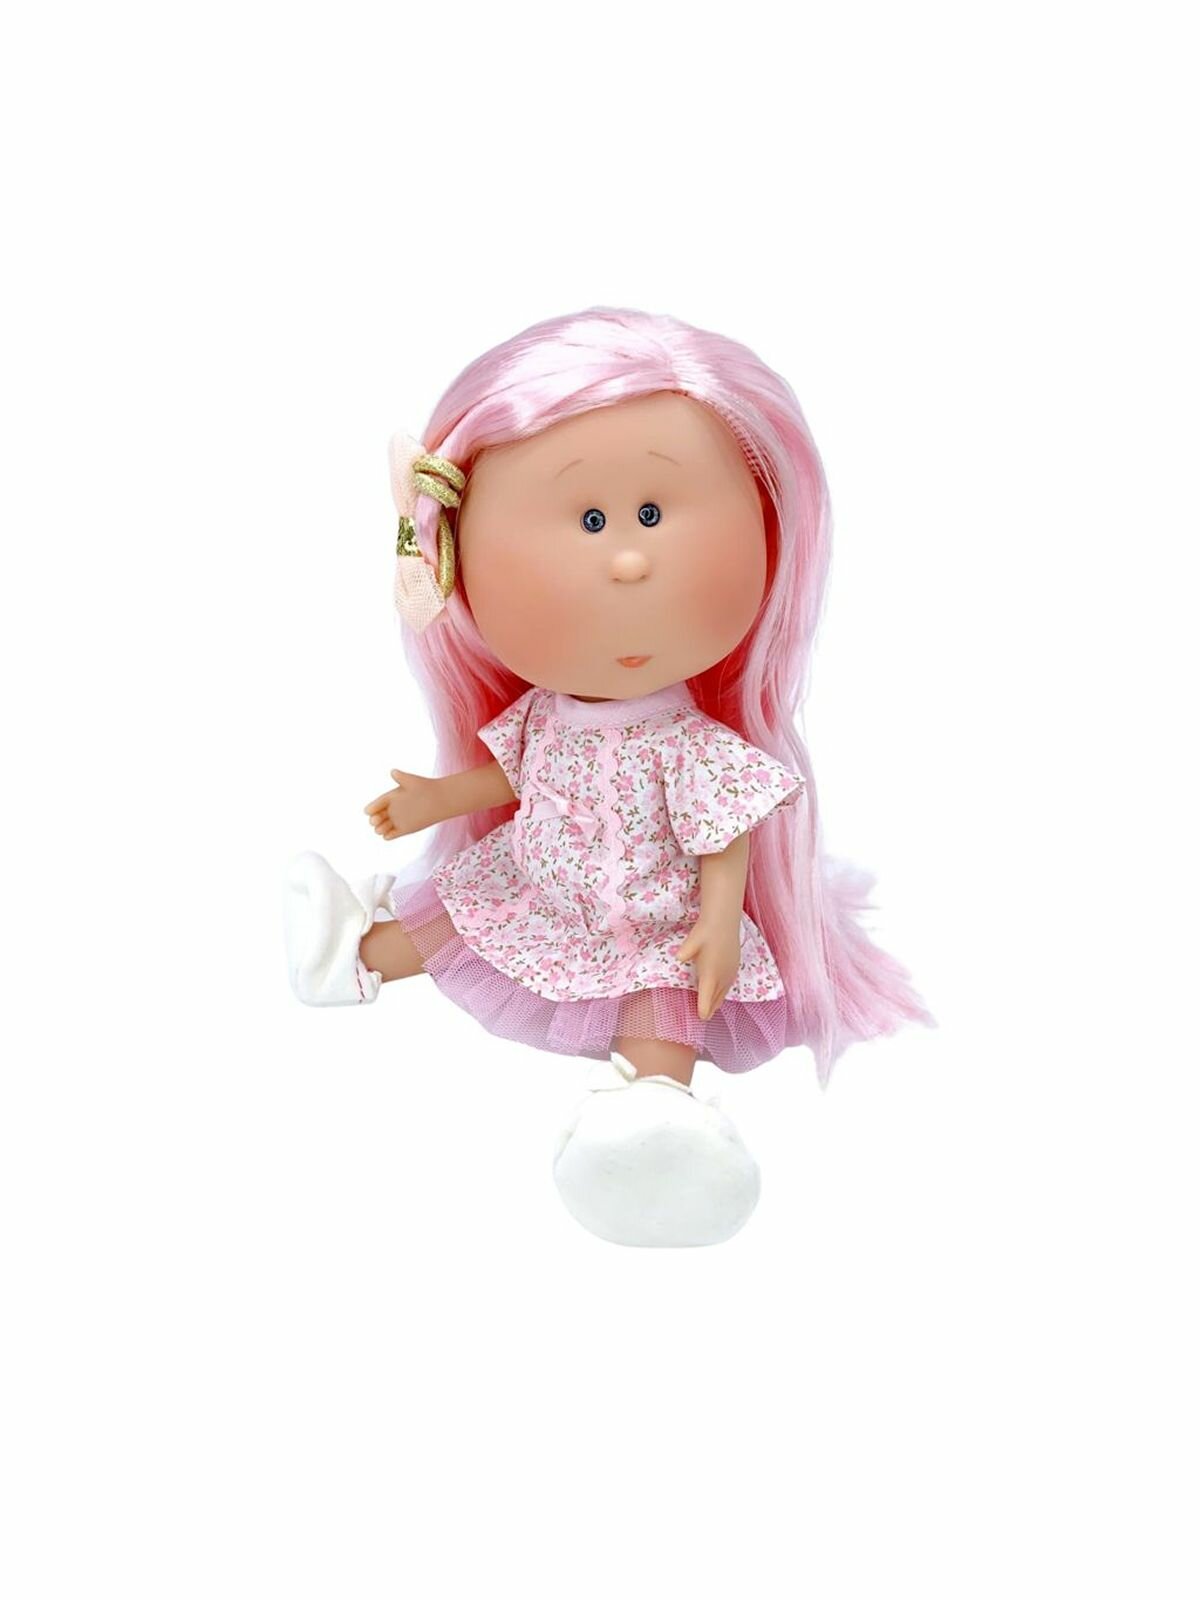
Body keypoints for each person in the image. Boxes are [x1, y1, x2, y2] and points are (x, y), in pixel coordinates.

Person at [283, 306, 933, 1247]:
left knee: (663, 1006)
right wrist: (435, 798)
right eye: (591, 520)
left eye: (651, 515)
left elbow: (721, 831)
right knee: (455, 920)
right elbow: (511, 779)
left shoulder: (690, 743)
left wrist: (720, 920)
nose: (629, 558)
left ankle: (657, 1124)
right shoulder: (545, 716)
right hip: (539, 888)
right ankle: (349, 955)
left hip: (655, 924)